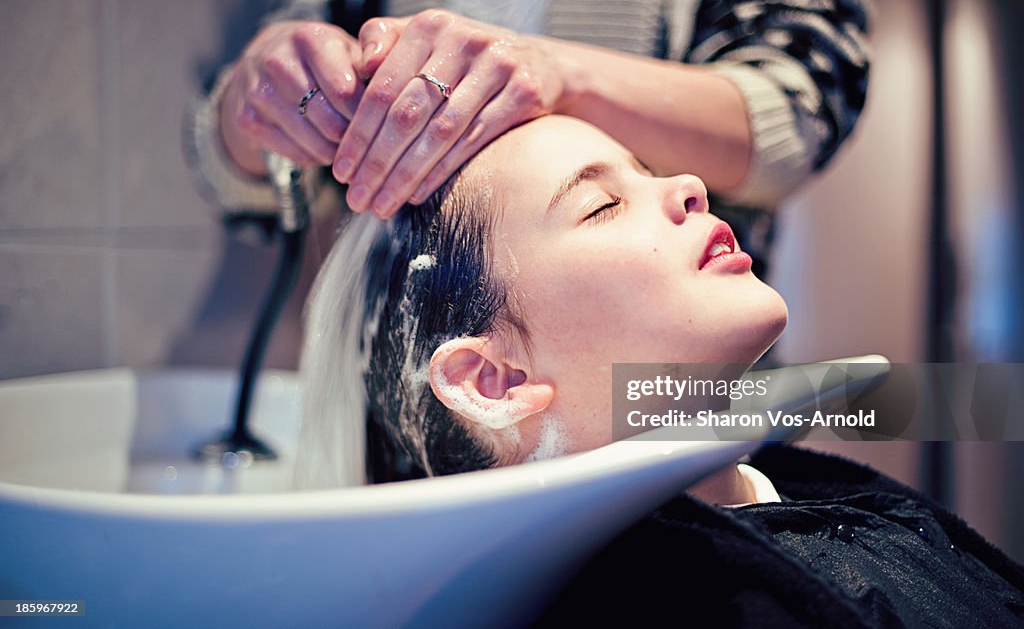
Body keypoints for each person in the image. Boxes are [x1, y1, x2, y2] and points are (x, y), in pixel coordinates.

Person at [298, 115, 1024, 628]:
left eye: (646, 171)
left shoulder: (811, 495)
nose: (689, 184)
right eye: (602, 205)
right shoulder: (666, 599)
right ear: (495, 382)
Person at [187, 0, 871, 275]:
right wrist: (257, 107)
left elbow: (799, 112)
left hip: (657, 411)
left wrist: (560, 73)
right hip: (400, 420)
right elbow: (246, 186)